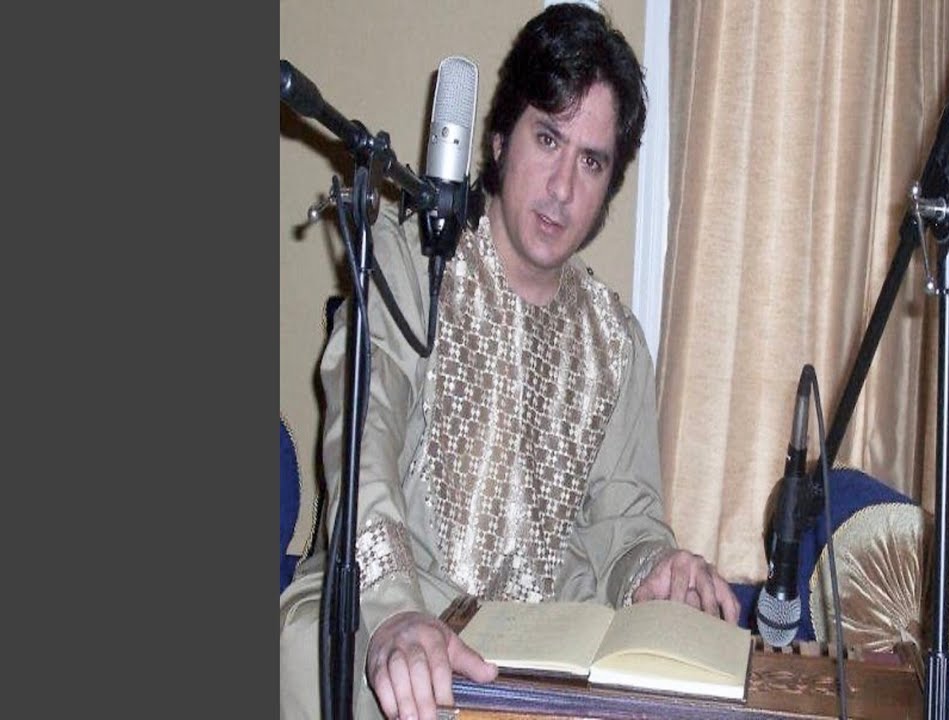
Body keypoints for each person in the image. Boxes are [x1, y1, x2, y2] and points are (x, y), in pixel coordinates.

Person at [280, 5, 740, 719]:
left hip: (537, 638)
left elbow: (626, 522)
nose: (563, 187)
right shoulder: (408, 268)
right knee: (320, 655)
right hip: (387, 599)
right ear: (499, 138)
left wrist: (654, 567)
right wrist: (397, 613)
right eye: (548, 138)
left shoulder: (615, 342)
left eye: (591, 161)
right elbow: (362, 448)